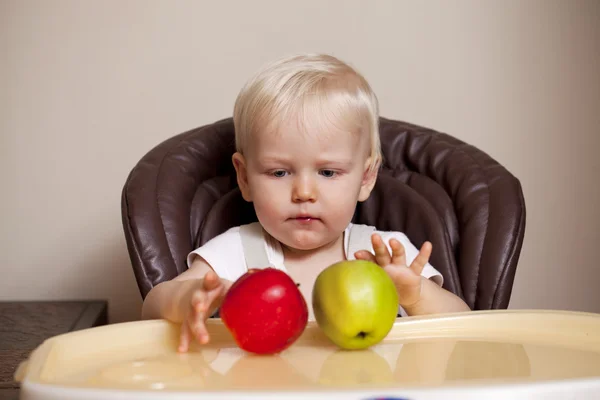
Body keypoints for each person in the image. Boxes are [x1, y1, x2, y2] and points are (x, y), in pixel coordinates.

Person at [141, 54, 470, 353]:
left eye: (328, 172)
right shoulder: (237, 252)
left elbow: (467, 326)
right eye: (279, 172)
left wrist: (414, 296)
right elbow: (153, 305)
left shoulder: (384, 254)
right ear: (244, 177)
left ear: (366, 177)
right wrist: (188, 298)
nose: (303, 192)